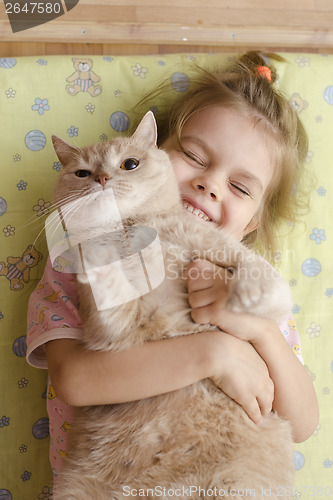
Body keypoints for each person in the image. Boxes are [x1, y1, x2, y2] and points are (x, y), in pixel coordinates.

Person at [26, 51, 319, 484]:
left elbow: (302, 423)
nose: (210, 184)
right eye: (196, 157)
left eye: (239, 186)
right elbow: (74, 380)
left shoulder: (250, 283)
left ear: (254, 221)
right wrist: (216, 354)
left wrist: (256, 330)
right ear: (153, 152)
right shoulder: (81, 256)